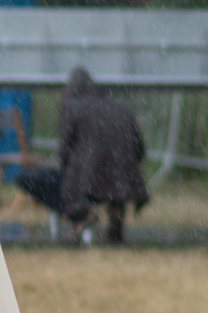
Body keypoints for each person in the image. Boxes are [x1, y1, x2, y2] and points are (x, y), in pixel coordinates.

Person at [15, 67, 149, 243]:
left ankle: (82, 215)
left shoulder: (75, 108)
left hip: (86, 182)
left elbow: (64, 151)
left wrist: (69, 165)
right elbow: (140, 150)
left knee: (27, 178)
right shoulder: (122, 110)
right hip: (122, 181)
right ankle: (116, 220)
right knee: (115, 184)